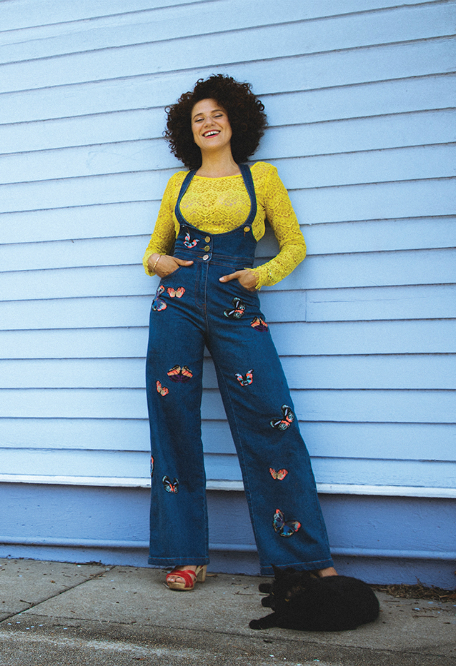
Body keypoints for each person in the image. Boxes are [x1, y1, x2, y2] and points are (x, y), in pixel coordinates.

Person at [142, 75, 337, 591]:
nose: (207, 124)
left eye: (216, 115)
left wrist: (260, 275)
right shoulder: (178, 185)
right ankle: (185, 555)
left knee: (271, 419)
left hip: (236, 303)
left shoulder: (262, 179)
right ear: (188, 132)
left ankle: (300, 557)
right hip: (176, 305)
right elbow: (152, 250)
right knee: (173, 423)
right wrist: (161, 264)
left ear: (235, 121)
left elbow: (293, 246)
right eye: (197, 118)